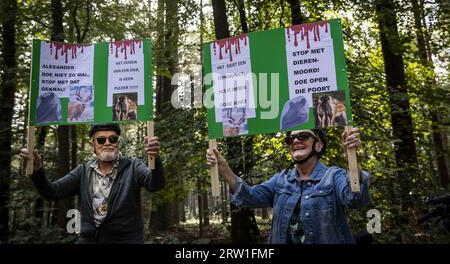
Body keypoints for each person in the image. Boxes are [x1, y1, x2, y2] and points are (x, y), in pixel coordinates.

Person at [206, 127, 371, 244]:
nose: (296, 141)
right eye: (290, 139)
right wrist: (223, 167)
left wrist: (353, 158)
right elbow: (250, 196)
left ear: (319, 145)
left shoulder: (334, 176)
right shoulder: (280, 180)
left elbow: (356, 200)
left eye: (303, 136)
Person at [20, 123, 165, 243]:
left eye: (112, 139)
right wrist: (37, 170)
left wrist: (155, 159)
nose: (107, 143)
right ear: (93, 146)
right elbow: (52, 192)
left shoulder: (134, 166)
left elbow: (155, 184)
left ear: (118, 143)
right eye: (101, 140)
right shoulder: (83, 171)